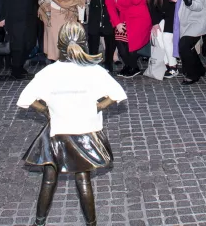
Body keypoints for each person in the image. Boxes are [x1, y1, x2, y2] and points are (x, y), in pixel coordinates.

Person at [17, 21, 126, 226]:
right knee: (83, 178)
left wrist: (47, 111)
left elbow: (25, 99)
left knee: (49, 178)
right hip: (85, 130)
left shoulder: (49, 73)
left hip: (58, 130)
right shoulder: (94, 71)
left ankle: (39, 223)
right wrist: (96, 107)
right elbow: (117, 94)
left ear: (60, 45)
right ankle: (91, 224)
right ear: (84, 44)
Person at [104, 0, 152, 77]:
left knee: (130, 43)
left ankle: (131, 66)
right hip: (125, 17)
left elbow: (136, 0)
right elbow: (110, 6)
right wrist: (117, 23)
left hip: (139, 17)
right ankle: (131, 66)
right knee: (120, 41)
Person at [0, 0, 42, 80]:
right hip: (12, 18)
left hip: (30, 18)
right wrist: (1, 17)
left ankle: (19, 65)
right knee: (17, 44)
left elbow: (40, 2)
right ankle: (16, 68)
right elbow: (0, 0)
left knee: (30, 44)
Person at [145, 0, 178, 78]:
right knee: (159, 37)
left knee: (166, 38)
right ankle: (167, 62)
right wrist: (155, 23)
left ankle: (173, 67)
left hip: (172, 17)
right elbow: (151, 7)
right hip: (161, 18)